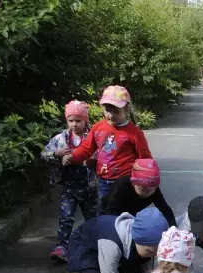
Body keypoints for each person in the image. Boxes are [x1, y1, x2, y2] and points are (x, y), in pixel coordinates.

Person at [63, 85, 152, 212]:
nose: (111, 115)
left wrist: (146, 180)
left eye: (116, 111)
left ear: (126, 109)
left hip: (126, 181)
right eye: (108, 110)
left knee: (125, 213)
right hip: (104, 181)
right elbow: (86, 148)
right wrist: (72, 156)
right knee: (105, 211)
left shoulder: (134, 132)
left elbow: (144, 158)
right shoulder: (98, 128)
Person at [41, 100, 98, 262]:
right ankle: (62, 246)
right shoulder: (60, 139)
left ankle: (93, 245)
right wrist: (57, 154)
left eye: (78, 120)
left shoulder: (93, 137)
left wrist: (93, 160)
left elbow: (103, 154)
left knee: (92, 218)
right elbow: (44, 154)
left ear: (85, 120)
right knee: (66, 217)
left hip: (89, 187)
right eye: (71, 120)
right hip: (68, 187)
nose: (74, 124)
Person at [102, 158, 176, 226]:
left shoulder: (152, 188)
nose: (148, 193)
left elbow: (165, 209)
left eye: (152, 189)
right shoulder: (122, 186)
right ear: (133, 183)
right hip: (108, 211)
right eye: (143, 189)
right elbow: (111, 213)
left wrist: (173, 227)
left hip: (131, 212)